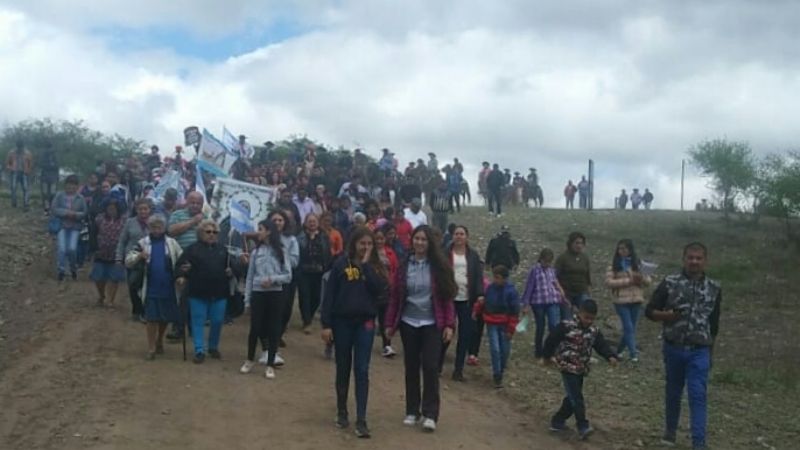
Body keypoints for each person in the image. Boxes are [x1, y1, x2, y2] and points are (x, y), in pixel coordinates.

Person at [646, 242, 721, 450]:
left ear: (705, 261)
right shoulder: (670, 282)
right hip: (674, 348)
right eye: (690, 257)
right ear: (684, 259)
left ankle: (699, 442)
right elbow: (649, 310)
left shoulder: (714, 288)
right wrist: (666, 316)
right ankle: (670, 433)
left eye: (698, 258)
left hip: (700, 350)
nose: (694, 261)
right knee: (673, 392)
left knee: (698, 394)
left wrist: (711, 353)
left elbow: (714, 325)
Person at [384, 225, 456, 432]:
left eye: (424, 239)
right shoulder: (404, 265)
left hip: (432, 323)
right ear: (412, 241)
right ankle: (412, 410)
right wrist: (389, 324)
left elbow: (447, 298)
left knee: (431, 367)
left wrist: (449, 325)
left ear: (429, 243)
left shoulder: (439, 267)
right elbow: (395, 297)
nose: (420, 243)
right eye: (417, 239)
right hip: (409, 322)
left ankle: (430, 413)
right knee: (411, 367)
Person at [321, 226, 388, 438]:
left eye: (369, 244)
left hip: (365, 323)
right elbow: (329, 295)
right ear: (354, 243)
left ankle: (361, 419)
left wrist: (367, 266)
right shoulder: (341, 263)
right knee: (343, 366)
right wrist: (326, 324)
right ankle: (342, 410)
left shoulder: (376, 266)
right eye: (362, 244)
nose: (366, 247)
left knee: (362, 369)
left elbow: (379, 290)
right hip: (342, 322)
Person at [544, 299, 618, 440]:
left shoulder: (593, 331)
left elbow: (601, 345)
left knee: (572, 398)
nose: (588, 321)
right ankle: (582, 426)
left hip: (581, 368)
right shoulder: (566, 326)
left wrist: (610, 356)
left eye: (592, 318)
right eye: (586, 317)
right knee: (577, 398)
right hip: (566, 366)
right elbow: (551, 340)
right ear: (579, 313)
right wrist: (547, 356)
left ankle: (557, 421)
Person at [240, 220, 292, 379]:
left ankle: (270, 364)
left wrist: (273, 279)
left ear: (269, 231)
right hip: (258, 293)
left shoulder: (281, 251)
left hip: (275, 293)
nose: (258, 232)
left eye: (261, 229)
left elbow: (288, 276)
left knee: (274, 328)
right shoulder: (256, 252)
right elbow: (249, 277)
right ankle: (249, 359)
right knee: (255, 328)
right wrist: (247, 300)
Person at [175, 219, 233, 363]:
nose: (212, 234)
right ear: (200, 233)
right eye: (208, 232)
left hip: (219, 292)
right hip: (197, 292)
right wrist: (181, 275)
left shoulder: (223, 249)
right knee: (198, 321)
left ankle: (213, 346)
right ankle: (199, 350)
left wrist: (233, 270)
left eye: (215, 232)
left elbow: (233, 267)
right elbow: (180, 266)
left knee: (217, 321)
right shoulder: (191, 249)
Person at [125, 214, 183, 360]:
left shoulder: (172, 243)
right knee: (151, 318)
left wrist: (183, 272)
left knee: (164, 317)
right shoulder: (142, 243)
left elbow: (181, 259)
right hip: (150, 285)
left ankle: (159, 340)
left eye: (159, 227)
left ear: (164, 228)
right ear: (149, 228)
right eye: (153, 227)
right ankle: (151, 348)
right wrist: (139, 257)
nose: (156, 230)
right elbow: (128, 260)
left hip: (168, 285)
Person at [440, 225, 483, 381]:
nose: (459, 236)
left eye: (462, 234)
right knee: (446, 333)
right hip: (449, 298)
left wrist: (479, 294)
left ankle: (458, 370)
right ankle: (438, 364)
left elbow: (478, 276)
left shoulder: (473, 255)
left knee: (465, 335)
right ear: (453, 236)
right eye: (456, 234)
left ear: (467, 237)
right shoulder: (445, 253)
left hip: (466, 299)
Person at [166, 191, 207, 340]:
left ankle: (192, 327)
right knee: (180, 294)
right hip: (180, 259)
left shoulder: (207, 217)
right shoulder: (177, 215)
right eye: (192, 202)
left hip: (200, 261)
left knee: (195, 296)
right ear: (187, 202)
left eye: (198, 203)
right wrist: (193, 222)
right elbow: (171, 231)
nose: (195, 205)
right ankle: (178, 327)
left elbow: (211, 236)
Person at [472, 265, 520, 388]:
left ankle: (501, 370)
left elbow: (514, 312)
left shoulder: (511, 292)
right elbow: (484, 302)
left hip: (505, 324)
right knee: (495, 349)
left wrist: (511, 329)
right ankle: (497, 374)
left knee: (504, 350)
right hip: (491, 322)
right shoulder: (490, 289)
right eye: (495, 277)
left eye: (498, 277)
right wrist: (476, 310)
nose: (495, 280)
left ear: (505, 278)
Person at [605, 239, 650, 362]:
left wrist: (641, 278)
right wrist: (628, 281)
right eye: (620, 249)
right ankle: (633, 354)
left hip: (636, 299)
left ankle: (617, 351)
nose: (622, 251)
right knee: (628, 327)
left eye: (624, 248)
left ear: (630, 250)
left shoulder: (638, 264)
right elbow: (609, 282)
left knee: (631, 328)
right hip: (621, 300)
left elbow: (648, 281)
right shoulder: (614, 264)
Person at [521, 248, 566, 359]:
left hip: (552, 300)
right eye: (545, 261)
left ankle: (551, 349)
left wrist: (562, 294)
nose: (547, 264)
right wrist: (526, 304)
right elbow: (530, 287)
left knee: (553, 325)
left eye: (549, 261)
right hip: (538, 302)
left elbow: (555, 283)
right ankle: (538, 350)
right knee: (540, 326)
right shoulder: (535, 270)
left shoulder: (551, 270)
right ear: (540, 259)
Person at [270, 210, 299, 362]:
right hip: (267, 279)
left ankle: (278, 334)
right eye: (274, 220)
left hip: (286, 279)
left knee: (285, 310)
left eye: (280, 220)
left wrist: (282, 255)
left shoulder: (291, 240)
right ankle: (269, 342)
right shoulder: (264, 237)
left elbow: (295, 261)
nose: (277, 223)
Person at [116, 199, 152, 321]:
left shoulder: (154, 223)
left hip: (149, 259)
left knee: (146, 286)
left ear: (149, 210)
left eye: (145, 209)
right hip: (132, 258)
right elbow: (122, 241)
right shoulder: (130, 222)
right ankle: (136, 310)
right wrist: (119, 258)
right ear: (136, 210)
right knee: (132, 284)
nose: (143, 211)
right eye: (140, 209)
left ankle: (144, 311)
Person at [297, 213, 332, 334]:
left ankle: (310, 316)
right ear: (305, 223)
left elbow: (328, 253)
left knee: (316, 298)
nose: (312, 223)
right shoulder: (300, 237)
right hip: (303, 271)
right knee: (304, 296)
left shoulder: (324, 237)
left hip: (319, 271)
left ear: (318, 223)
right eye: (310, 221)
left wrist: (327, 267)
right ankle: (306, 321)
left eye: (314, 221)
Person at [51, 175, 88, 280]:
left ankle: (73, 268)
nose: (70, 187)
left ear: (76, 186)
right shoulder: (59, 196)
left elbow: (84, 212)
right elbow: (54, 209)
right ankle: (61, 270)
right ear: (65, 185)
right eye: (69, 185)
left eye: (73, 185)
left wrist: (75, 214)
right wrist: (66, 213)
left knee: (72, 249)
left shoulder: (80, 198)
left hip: (75, 226)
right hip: (61, 225)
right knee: (62, 249)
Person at [90, 199, 126, 307]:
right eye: (109, 208)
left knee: (114, 278)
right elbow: (93, 234)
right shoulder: (99, 219)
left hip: (117, 253)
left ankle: (111, 300)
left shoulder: (124, 220)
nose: (111, 211)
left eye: (114, 209)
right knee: (98, 277)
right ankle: (101, 296)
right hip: (100, 252)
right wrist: (93, 248)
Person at [374, 227, 399, 357]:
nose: (379, 241)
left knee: (385, 319)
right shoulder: (369, 252)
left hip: (386, 289)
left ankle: (387, 345)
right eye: (377, 238)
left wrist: (393, 283)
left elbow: (396, 269)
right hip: (371, 289)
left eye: (381, 238)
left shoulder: (390, 253)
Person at [555, 232, 591, 320]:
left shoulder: (585, 258)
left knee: (587, 316)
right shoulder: (562, 258)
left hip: (582, 292)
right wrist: (560, 292)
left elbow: (587, 276)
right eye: (577, 243)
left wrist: (589, 291)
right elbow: (554, 276)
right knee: (567, 320)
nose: (579, 245)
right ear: (570, 243)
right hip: (566, 294)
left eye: (581, 243)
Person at [6, 140, 33, 210]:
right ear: (16, 146)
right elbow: (8, 163)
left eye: (21, 147)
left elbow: (30, 164)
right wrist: (10, 168)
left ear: (23, 147)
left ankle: (26, 204)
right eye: (18, 147)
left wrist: (28, 171)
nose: (19, 149)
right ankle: (14, 203)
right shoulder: (11, 153)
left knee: (26, 188)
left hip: (24, 173)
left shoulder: (27, 153)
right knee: (13, 188)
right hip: (14, 172)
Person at [39, 142, 59, 214]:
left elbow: (57, 166)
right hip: (44, 177)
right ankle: (46, 208)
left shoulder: (55, 156)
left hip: (53, 177)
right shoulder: (43, 156)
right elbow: (41, 165)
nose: (49, 150)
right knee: (45, 194)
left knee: (53, 193)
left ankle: (52, 207)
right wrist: (51, 166)